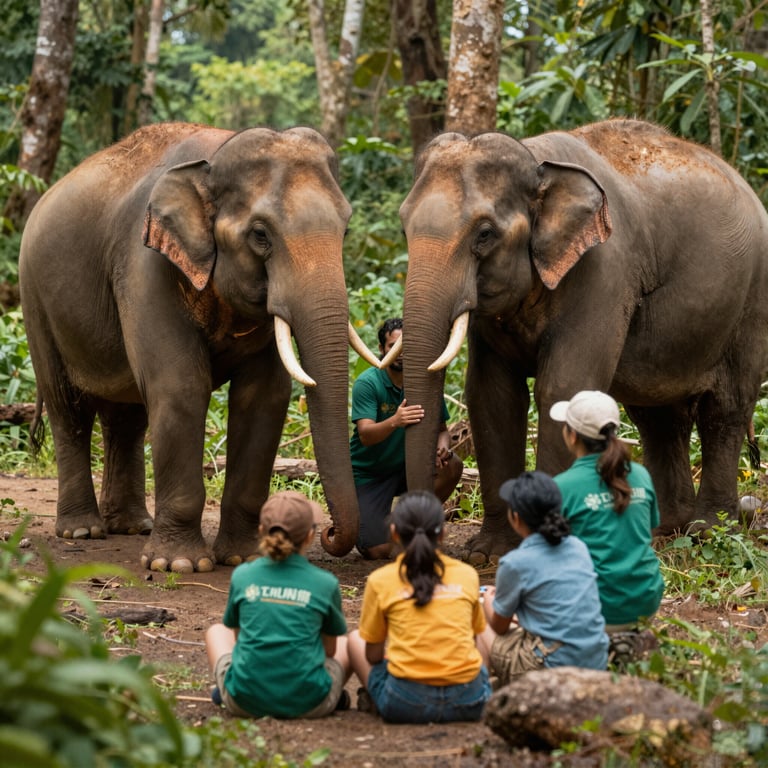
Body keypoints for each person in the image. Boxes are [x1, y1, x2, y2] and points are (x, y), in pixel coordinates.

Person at [205, 490, 352, 718]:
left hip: (244, 701)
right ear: (310, 536)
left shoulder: (242, 575)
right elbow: (330, 650)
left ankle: (227, 690)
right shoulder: (326, 583)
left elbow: (237, 639)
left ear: (261, 531)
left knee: (216, 632)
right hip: (310, 704)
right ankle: (331, 694)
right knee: (348, 642)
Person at [348, 490, 491, 723]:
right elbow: (473, 644)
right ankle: (480, 688)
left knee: (355, 639)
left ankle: (377, 698)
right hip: (469, 702)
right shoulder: (467, 575)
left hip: (405, 704)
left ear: (394, 534)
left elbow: (372, 655)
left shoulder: (381, 580)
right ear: (443, 534)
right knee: (479, 626)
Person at [549, 390, 665, 662]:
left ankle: (598, 641)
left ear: (572, 435)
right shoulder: (640, 474)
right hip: (645, 599)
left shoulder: (562, 486)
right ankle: (627, 637)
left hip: (594, 607)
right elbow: (648, 530)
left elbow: (549, 552)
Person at [476, 472, 608, 686]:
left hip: (552, 666)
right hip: (595, 660)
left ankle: (482, 690)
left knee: (477, 614)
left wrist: (490, 600)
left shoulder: (515, 563)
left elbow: (499, 627)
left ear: (515, 517)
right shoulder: (578, 547)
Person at [350, 318, 464, 559]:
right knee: (378, 551)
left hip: (408, 469)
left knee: (452, 466)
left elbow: (442, 429)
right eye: (393, 347)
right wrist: (396, 421)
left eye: (406, 346)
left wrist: (443, 447)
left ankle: (411, 523)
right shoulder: (368, 383)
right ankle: (384, 523)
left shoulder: (423, 381)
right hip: (370, 475)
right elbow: (366, 435)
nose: (401, 353)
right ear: (382, 349)